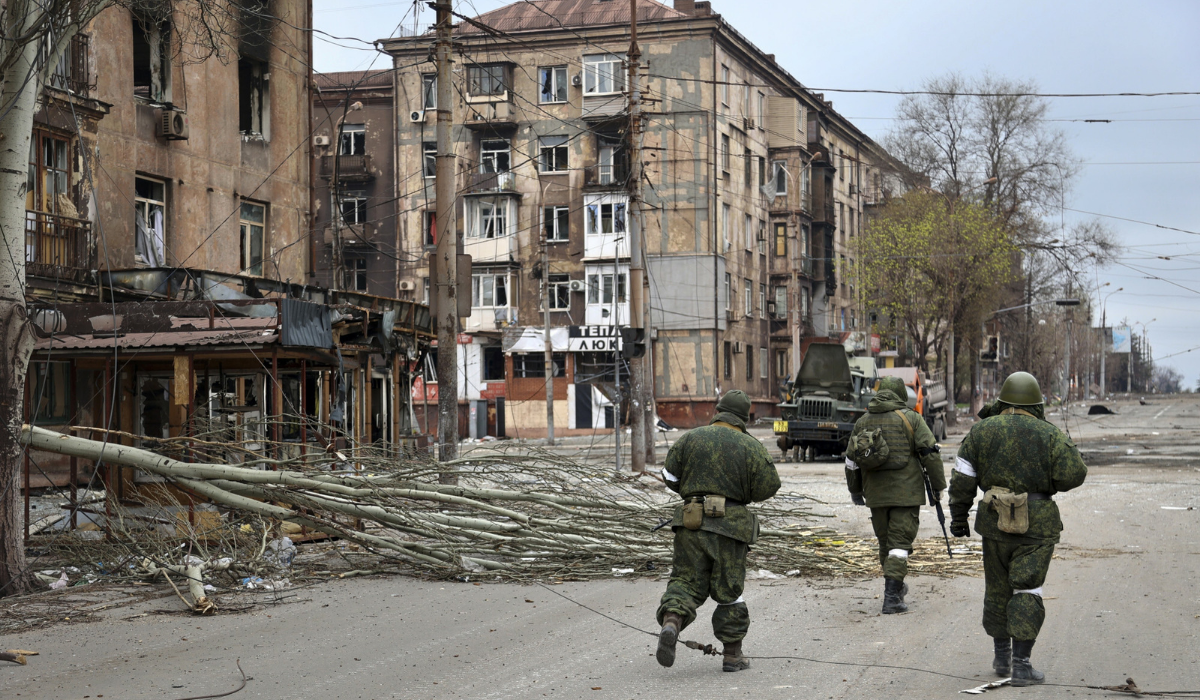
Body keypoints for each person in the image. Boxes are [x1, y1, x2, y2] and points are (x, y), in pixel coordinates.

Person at [949, 371, 1087, 686]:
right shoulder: (1048, 434)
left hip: (994, 523)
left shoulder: (981, 432)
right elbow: (1075, 474)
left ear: (1003, 400)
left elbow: (962, 480)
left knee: (997, 588)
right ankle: (1022, 665)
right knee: (1027, 588)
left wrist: (959, 518)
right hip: (1036, 525)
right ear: (1037, 403)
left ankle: (1001, 657)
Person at [656, 390, 781, 672]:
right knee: (729, 590)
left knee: (686, 581)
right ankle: (732, 656)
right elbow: (769, 486)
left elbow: (669, 476)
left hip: (690, 521)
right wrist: (741, 493)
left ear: (718, 410)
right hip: (730, 526)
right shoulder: (750, 446)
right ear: (745, 417)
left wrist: (693, 493)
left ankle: (672, 623)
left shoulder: (690, 437)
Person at [844, 376, 945, 614]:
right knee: (899, 545)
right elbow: (930, 453)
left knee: (886, 543)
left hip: (875, 495)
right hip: (906, 494)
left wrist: (855, 491)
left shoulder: (862, 421)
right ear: (901, 395)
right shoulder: (911, 418)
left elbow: (851, 461)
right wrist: (938, 487)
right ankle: (891, 599)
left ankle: (896, 588)